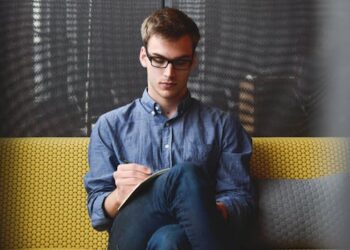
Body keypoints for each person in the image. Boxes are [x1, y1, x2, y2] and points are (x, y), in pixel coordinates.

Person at [84, 7, 255, 250]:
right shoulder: (110, 125)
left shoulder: (223, 126)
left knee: (169, 240)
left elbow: (242, 202)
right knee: (184, 176)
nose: (169, 72)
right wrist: (119, 195)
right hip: (130, 239)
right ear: (144, 57)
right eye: (159, 60)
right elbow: (96, 213)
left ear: (193, 61)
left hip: (185, 238)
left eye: (180, 62)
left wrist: (199, 208)